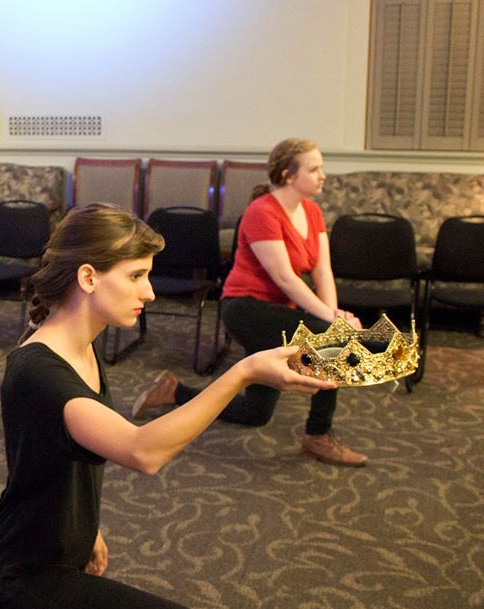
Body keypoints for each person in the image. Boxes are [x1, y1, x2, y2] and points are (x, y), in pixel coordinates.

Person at [0, 203, 335, 609]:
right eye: (135, 276)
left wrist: (88, 528)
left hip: (58, 548)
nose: (149, 292)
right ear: (88, 277)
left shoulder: (80, 347)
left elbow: (54, 458)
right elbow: (142, 451)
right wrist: (242, 372)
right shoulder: (38, 368)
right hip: (21, 573)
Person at [132, 138, 368, 467]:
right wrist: (332, 323)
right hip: (245, 309)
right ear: (288, 175)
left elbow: (322, 271)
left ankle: (174, 391)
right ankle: (318, 436)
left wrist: (333, 315)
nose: (322, 175)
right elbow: (285, 278)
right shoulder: (262, 211)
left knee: (255, 413)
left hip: (277, 313)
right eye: (314, 169)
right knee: (330, 343)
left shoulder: (312, 212)